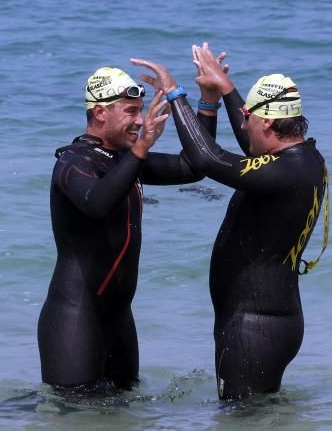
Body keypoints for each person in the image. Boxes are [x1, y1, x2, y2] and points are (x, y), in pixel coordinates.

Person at [131, 47, 329, 400]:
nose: (242, 122)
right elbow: (251, 149)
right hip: (268, 322)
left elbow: (208, 159)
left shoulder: (285, 172)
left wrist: (176, 95)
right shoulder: (303, 160)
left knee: (242, 421)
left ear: (266, 121)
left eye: (246, 116)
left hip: (254, 329)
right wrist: (221, 89)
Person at [37, 66, 223, 391]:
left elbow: (195, 166)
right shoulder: (73, 163)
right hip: (75, 321)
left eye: (141, 112)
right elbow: (97, 203)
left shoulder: (123, 159)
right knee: (73, 417)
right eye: (131, 112)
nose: (140, 121)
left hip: (120, 321)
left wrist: (205, 102)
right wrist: (139, 151)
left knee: (125, 414)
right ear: (99, 112)